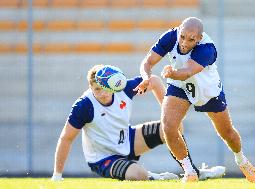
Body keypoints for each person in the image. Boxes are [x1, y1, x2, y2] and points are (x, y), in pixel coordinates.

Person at [134, 17, 255, 183]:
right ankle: (189, 171)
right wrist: (145, 77)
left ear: (199, 39)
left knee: (227, 133)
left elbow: (187, 72)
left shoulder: (207, 48)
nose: (185, 42)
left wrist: (172, 73)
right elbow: (148, 61)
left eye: (191, 39)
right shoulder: (170, 37)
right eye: (182, 36)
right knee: (168, 127)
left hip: (207, 90)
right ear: (179, 30)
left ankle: (241, 159)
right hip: (179, 86)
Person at [51, 64, 226, 181]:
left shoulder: (123, 87)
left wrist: (168, 116)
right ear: (90, 88)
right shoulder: (84, 106)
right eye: (97, 89)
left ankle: (192, 172)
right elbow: (66, 138)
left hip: (128, 140)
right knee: (139, 174)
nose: (102, 93)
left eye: (105, 88)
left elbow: (155, 81)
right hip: (103, 158)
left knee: (170, 130)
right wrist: (57, 176)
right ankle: (156, 178)